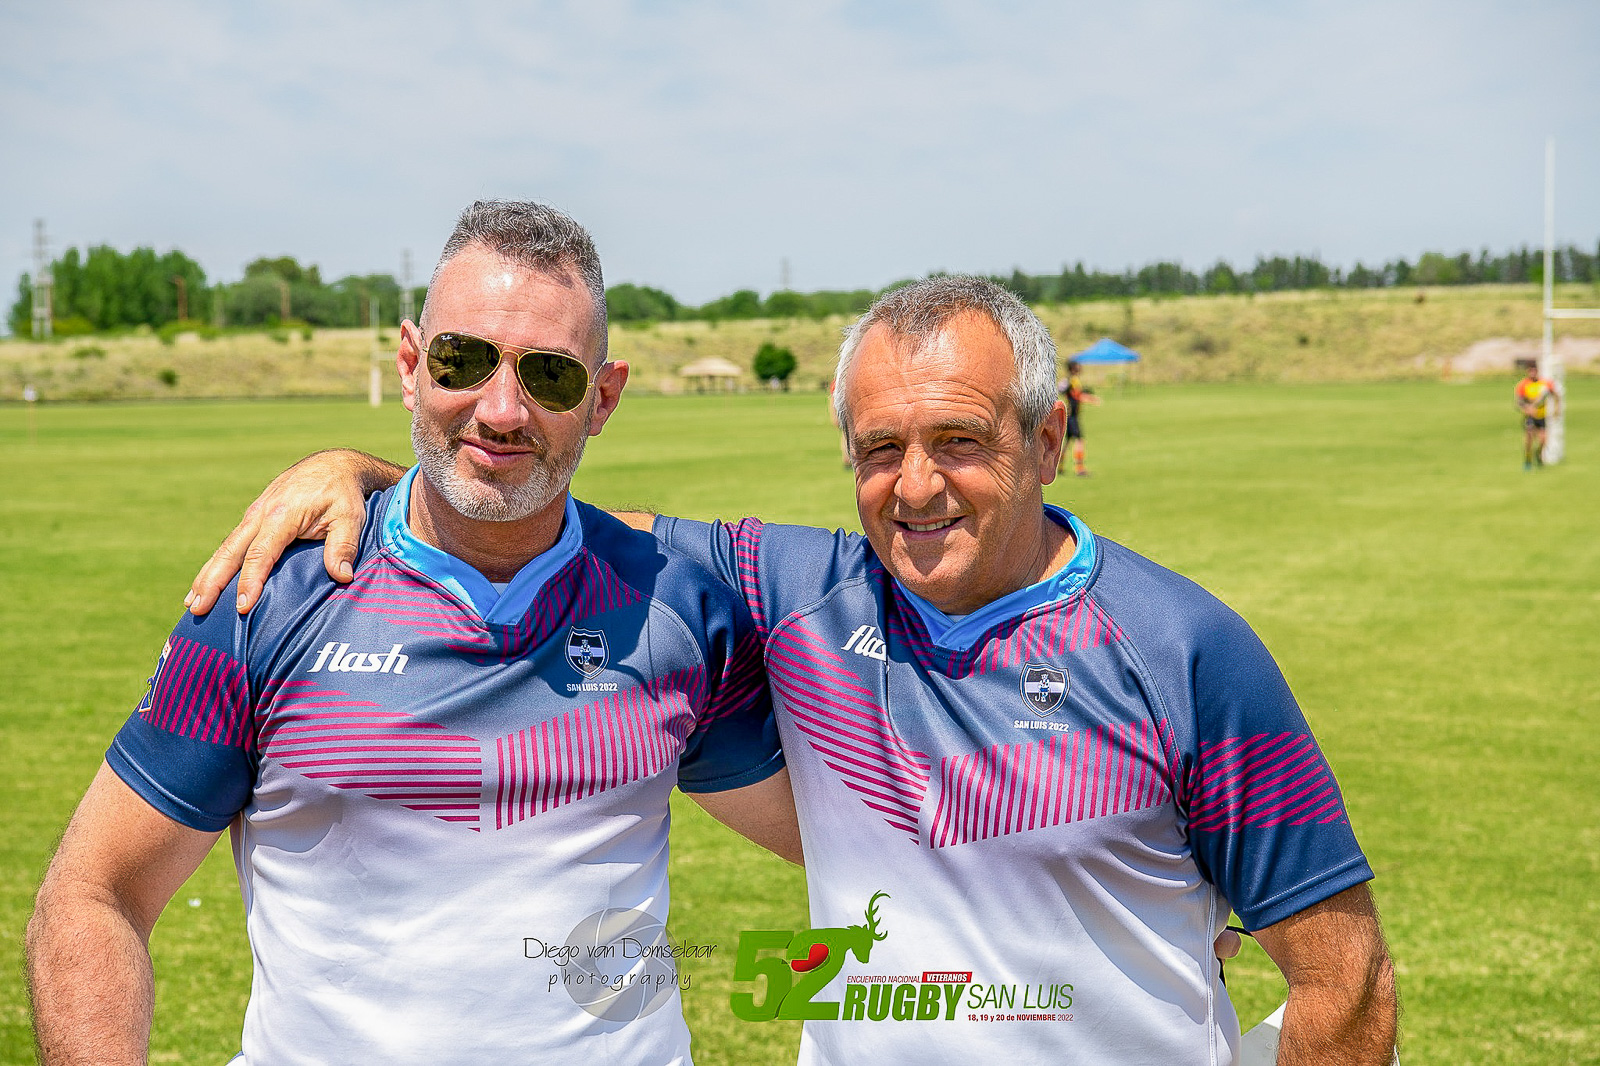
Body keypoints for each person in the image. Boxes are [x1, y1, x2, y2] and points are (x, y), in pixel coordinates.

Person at [185, 277, 1396, 1063]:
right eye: (880, 449)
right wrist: (365, 466)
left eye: (960, 442)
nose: (915, 486)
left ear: (1051, 438)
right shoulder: (796, 588)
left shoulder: (1184, 648)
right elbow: (529, 499)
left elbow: (1347, 989)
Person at [26, 201, 799, 1066]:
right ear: (409, 364)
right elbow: (97, 893)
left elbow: (848, 840)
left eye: (551, 377)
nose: (503, 409)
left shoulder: (672, 607)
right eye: (463, 360)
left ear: (604, 397)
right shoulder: (268, 601)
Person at [1056, 358, 1101, 476]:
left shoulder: (1069, 380)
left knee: (1067, 441)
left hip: (1070, 415)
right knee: (1079, 440)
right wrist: (1091, 399)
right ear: (1073, 368)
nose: (1080, 367)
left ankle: (1059, 466)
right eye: (1078, 366)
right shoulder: (1074, 380)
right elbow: (1077, 396)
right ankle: (1079, 468)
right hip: (1073, 416)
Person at [1515, 362, 1560, 470]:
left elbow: (1555, 395)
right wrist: (1527, 409)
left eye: (1534, 370)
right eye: (1530, 370)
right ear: (1527, 371)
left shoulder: (1545, 384)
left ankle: (1538, 454)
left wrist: (1556, 408)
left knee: (1543, 440)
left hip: (1541, 416)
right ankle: (1527, 460)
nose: (1533, 372)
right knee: (1529, 438)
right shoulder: (1523, 385)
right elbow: (1518, 402)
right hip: (1530, 417)